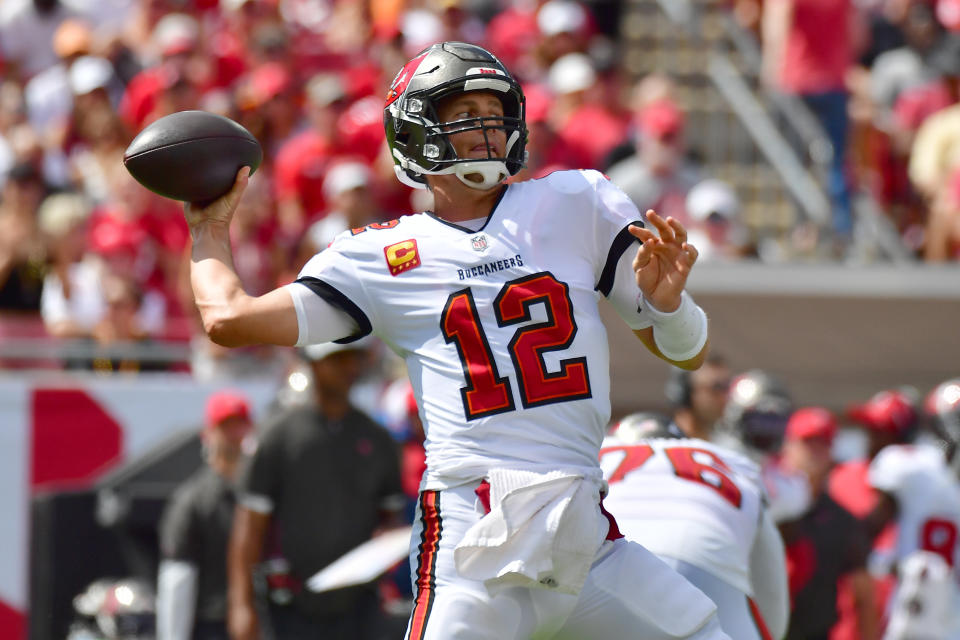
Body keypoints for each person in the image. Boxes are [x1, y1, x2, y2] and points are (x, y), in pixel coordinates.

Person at [188, 41, 727, 639]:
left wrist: (671, 307)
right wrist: (209, 228)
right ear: (416, 131)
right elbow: (230, 319)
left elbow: (686, 352)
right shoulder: (380, 257)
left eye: (493, 112)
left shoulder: (576, 202)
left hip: (585, 535)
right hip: (473, 539)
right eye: (463, 112)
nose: (486, 128)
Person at [227, 340, 405, 640]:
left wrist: (389, 537)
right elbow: (249, 529)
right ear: (312, 363)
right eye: (338, 358)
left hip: (360, 607)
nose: (350, 367)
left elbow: (390, 517)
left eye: (355, 357)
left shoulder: (378, 439)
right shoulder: (277, 436)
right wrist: (241, 605)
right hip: (291, 608)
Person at [599, 412, 789, 640]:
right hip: (707, 564)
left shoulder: (596, 454)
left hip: (612, 564)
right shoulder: (729, 460)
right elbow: (771, 595)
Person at [861, 378, 960, 638]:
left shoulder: (909, 465)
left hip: (916, 609)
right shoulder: (909, 466)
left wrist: (883, 563)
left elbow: (863, 534)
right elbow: (866, 534)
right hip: (914, 607)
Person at [156, 390, 254, 640]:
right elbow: (177, 579)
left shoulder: (262, 494)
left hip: (261, 620)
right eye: (226, 427)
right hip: (213, 625)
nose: (234, 436)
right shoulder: (192, 500)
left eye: (240, 426)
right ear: (208, 433)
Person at [778, 407, 879, 640]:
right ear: (787, 445)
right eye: (808, 441)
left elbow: (863, 594)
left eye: (823, 443)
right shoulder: (763, 504)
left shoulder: (842, 519)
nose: (815, 451)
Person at [664, 352, 733, 441]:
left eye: (728, 386)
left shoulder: (728, 448)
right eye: (718, 387)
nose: (726, 396)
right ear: (686, 393)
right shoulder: (662, 444)